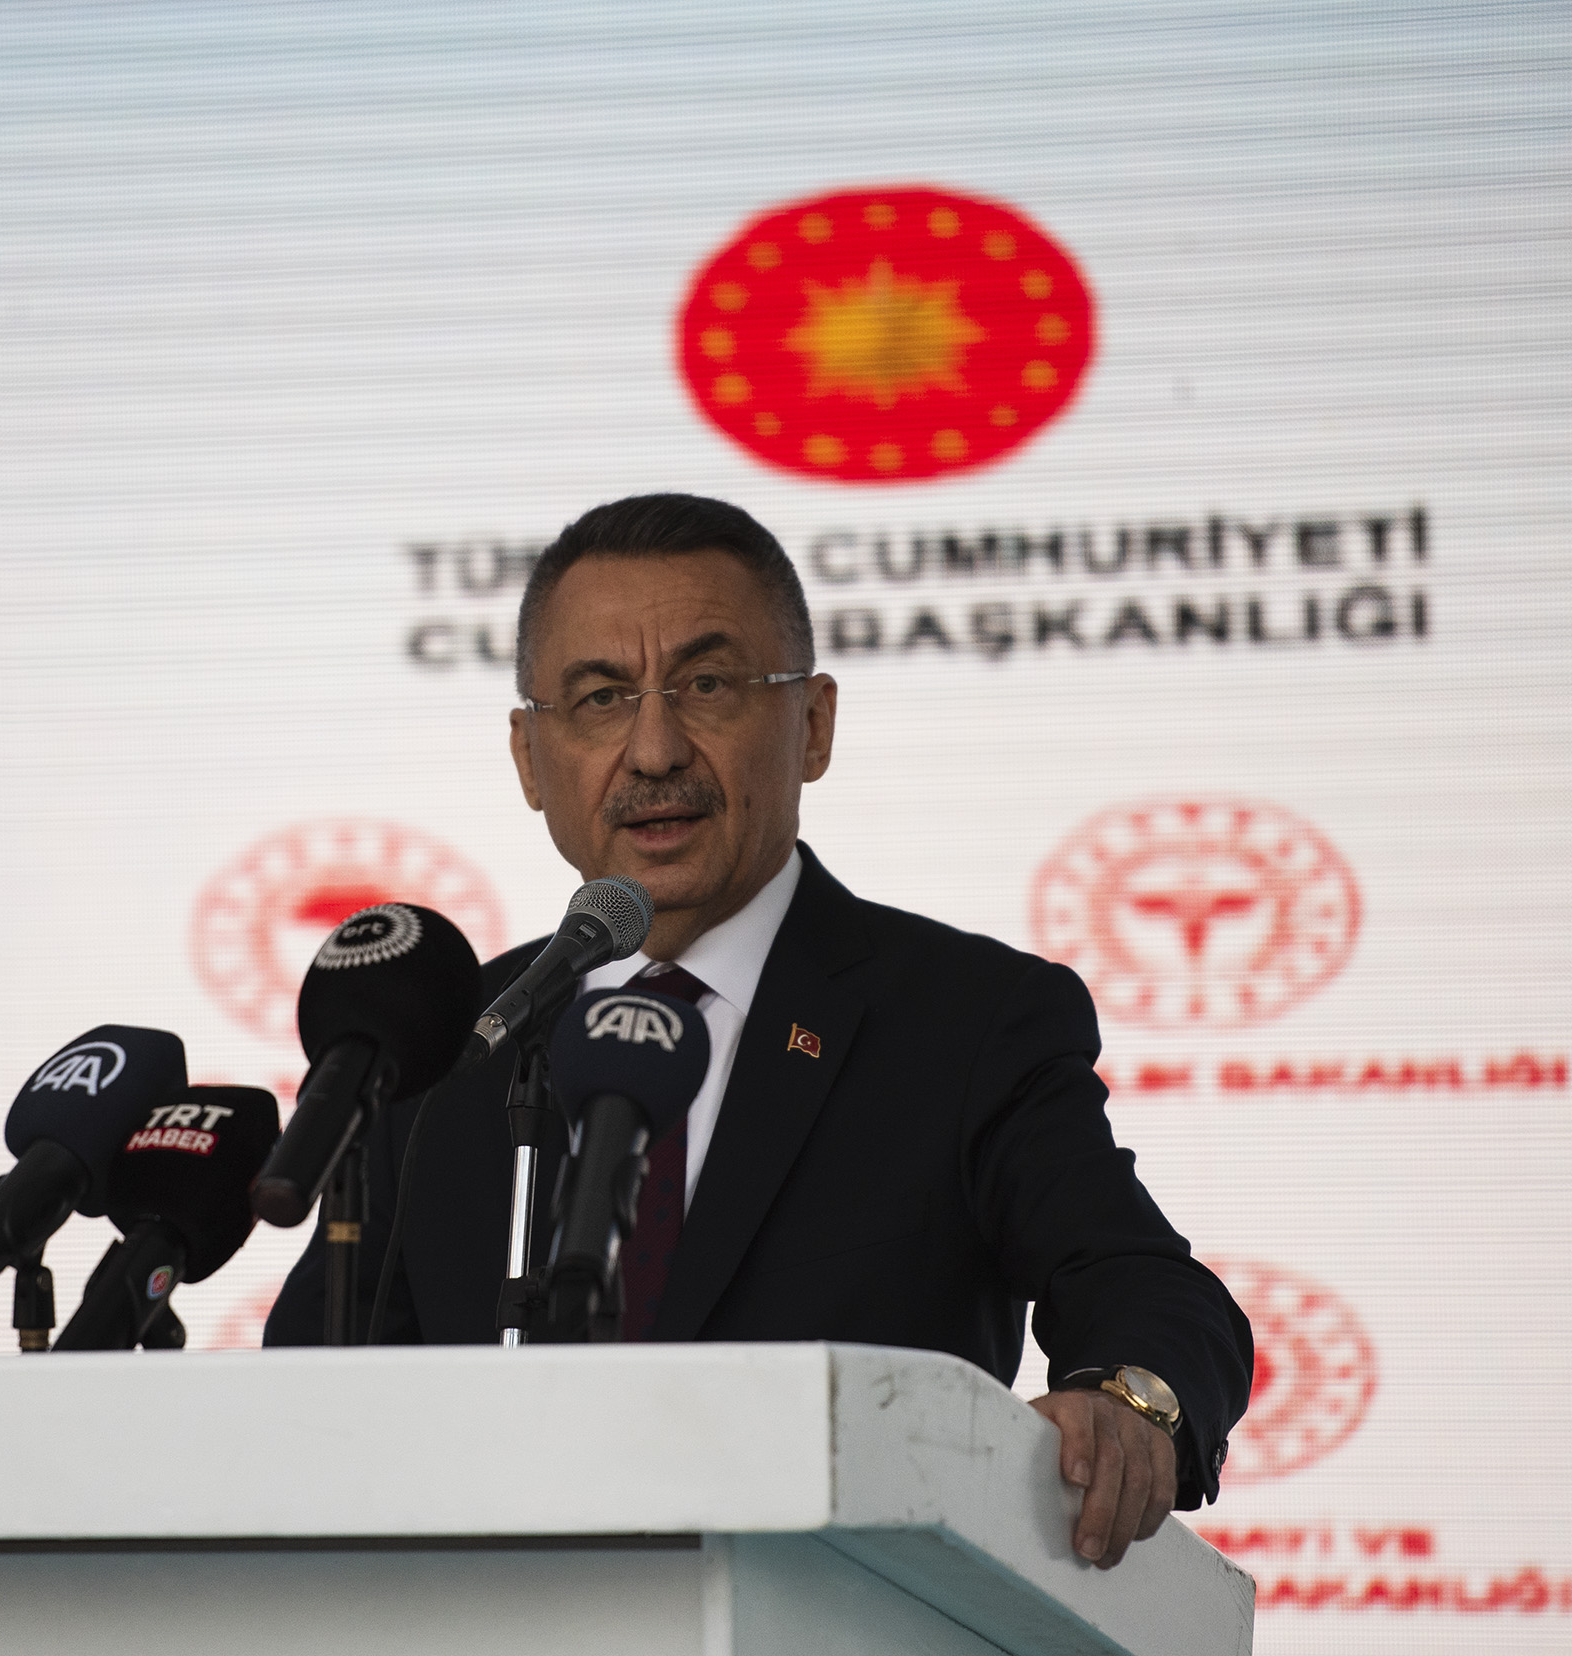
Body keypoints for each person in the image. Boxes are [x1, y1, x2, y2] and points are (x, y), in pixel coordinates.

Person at [264, 492, 1253, 1570]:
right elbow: (312, 1402)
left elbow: (1147, 1290)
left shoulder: (965, 1019)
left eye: (707, 686)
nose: (653, 751)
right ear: (529, 757)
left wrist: (1129, 1400)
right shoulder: (451, 1040)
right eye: (599, 698)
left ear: (812, 725)